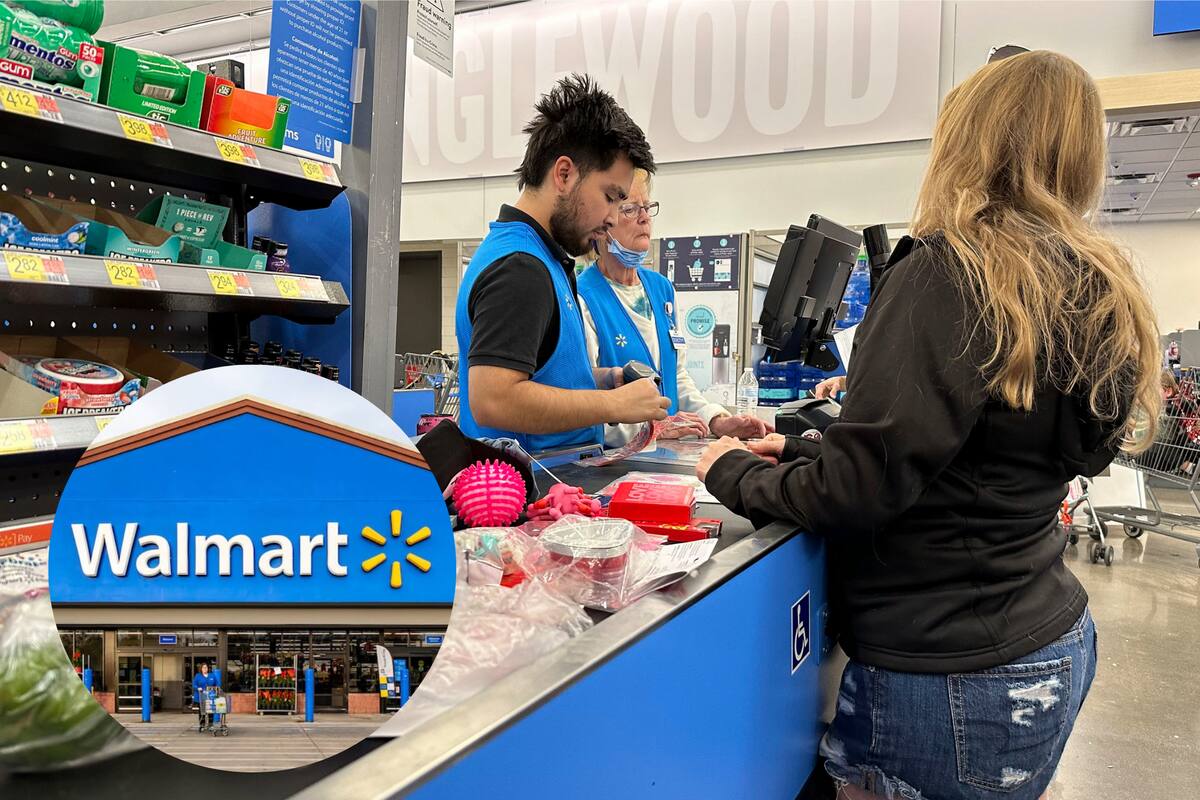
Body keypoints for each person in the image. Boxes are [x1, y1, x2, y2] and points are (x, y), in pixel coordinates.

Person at [696, 51, 1161, 799]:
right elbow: (992, 453)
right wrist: (806, 444)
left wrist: (730, 470)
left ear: (970, 137)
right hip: (1049, 640)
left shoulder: (953, 271)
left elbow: (856, 494)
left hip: (945, 679)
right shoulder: (1096, 284)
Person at [455, 74, 669, 453]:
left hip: (557, 486)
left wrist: (601, 379)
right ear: (565, 174)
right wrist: (613, 405)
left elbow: (535, 374)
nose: (611, 218)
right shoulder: (520, 267)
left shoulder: (541, 257)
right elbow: (494, 399)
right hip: (532, 494)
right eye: (610, 196)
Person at [577, 169, 772, 446]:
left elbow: (676, 377)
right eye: (630, 209)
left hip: (664, 453)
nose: (644, 218)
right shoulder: (583, 297)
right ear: (601, 224)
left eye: (647, 207)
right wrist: (649, 430)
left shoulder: (661, 289)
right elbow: (581, 401)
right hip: (614, 460)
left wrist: (715, 419)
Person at [193, 661, 216, 729]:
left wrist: (215, 689)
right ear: (201, 669)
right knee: (202, 711)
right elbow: (194, 685)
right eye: (203, 668)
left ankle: (210, 724)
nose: (205, 669)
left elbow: (216, 684)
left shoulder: (212, 675)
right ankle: (202, 724)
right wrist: (198, 688)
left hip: (210, 696)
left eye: (206, 667)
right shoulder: (198, 676)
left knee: (210, 710)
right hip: (201, 697)